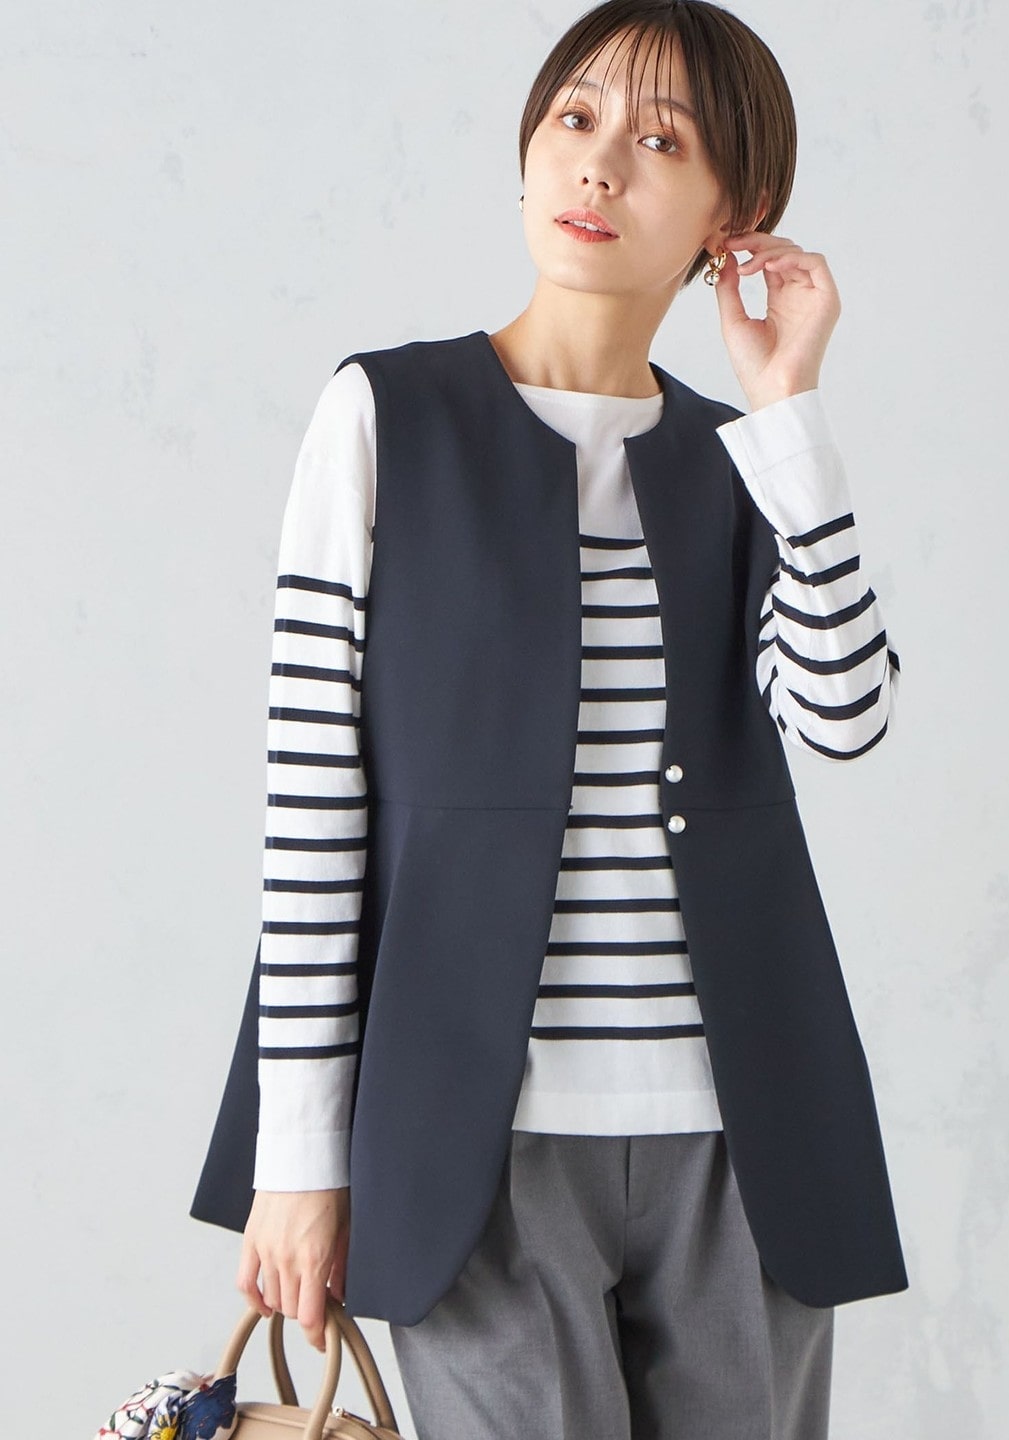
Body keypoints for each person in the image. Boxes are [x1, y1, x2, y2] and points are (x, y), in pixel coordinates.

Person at [200, 2, 907, 1436]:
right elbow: (313, 805)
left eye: (663, 142)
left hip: (745, 1142)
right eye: (576, 121)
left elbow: (845, 718)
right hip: (478, 1143)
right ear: (528, 149)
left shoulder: (738, 458)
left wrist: (789, 415)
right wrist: (298, 1155)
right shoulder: (386, 417)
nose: (600, 165)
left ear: (736, 213)